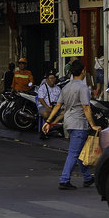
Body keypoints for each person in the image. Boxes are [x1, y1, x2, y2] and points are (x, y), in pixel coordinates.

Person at [51, 60, 96, 191]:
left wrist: (49, 120)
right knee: (73, 153)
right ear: (83, 71)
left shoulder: (66, 87)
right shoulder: (82, 88)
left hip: (69, 122)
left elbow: (59, 106)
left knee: (80, 152)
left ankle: (88, 178)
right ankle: (64, 179)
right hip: (78, 123)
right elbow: (86, 108)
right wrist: (93, 125)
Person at [34, 71, 62, 138]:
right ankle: (50, 126)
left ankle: (51, 125)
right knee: (46, 113)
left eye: (53, 78)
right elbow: (41, 99)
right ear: (47, 79)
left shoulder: (58, 88)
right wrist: (47, 107)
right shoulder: (42, 88)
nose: (52, 80)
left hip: (56, 107)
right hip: (44, 106)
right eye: (50, 78)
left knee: (64, 113)